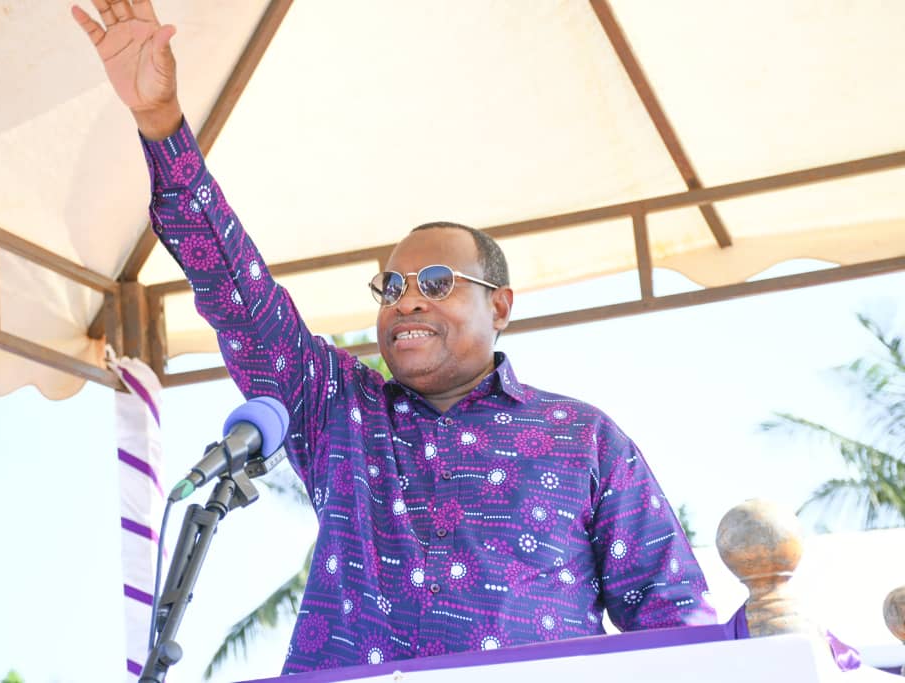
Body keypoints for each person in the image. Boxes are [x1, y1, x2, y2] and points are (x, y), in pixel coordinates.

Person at [72, 0, 716, 674]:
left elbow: (674, 618)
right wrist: (160, 121)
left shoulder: (583, 437)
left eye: (437, 282)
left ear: (500, 306)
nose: (407, 298)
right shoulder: (337, 410)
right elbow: (238, 291)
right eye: (391, 286)